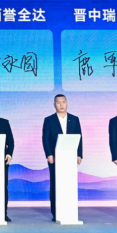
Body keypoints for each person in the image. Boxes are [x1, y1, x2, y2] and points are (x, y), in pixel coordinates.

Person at [42, 94, 83, 222]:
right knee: (56, 184)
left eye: (63, 102)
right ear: (54, 105)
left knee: (69, 184)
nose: (61, 105)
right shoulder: (49, 120)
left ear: (67, 103)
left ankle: (69, 211)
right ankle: (56, 212)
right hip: (55, 158)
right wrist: (49, 154)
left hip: (70, 157)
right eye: (58, 102)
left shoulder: (74, 119)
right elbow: (45, 139)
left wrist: (79, 154)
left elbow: (79, 137)